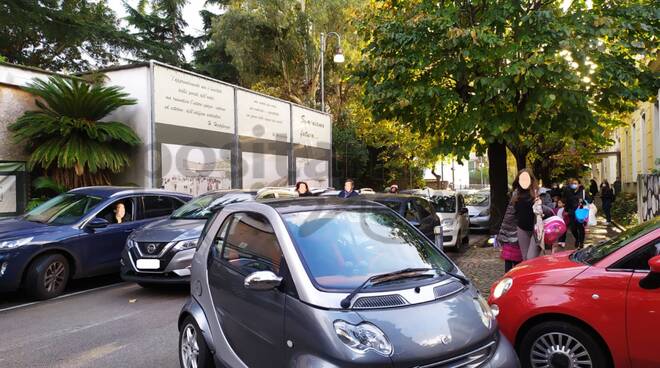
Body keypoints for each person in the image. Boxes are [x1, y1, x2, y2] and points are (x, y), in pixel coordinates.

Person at [512, 169, 543, 261]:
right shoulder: (515, 194)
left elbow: (548, 209)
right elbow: (510, 213)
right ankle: (531, 275)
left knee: (531, 258)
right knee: (525, 258)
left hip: (536, 229)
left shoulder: (539, 193)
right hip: (522, 228)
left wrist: (541, 207)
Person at [497, 197, 522, 273]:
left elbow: (506, 221)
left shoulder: (511, 206)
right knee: (517, 264)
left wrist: (501, 236)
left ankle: (508, 277)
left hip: (508, 239)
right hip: (516, 240)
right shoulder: (518, 204)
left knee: (508, 263)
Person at [564, 178, 586, 248]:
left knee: (580, 228)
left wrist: (583, 202)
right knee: (573, 228)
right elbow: (567, 201)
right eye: (573, 183)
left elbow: (589, 200)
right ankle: (577, 239)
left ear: (579, 184)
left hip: (580, 211)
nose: (574, 185)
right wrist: (566, 210)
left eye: (576, 183)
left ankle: (581, 242)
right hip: (572, 212)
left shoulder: (582, 191)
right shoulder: (569, 191)